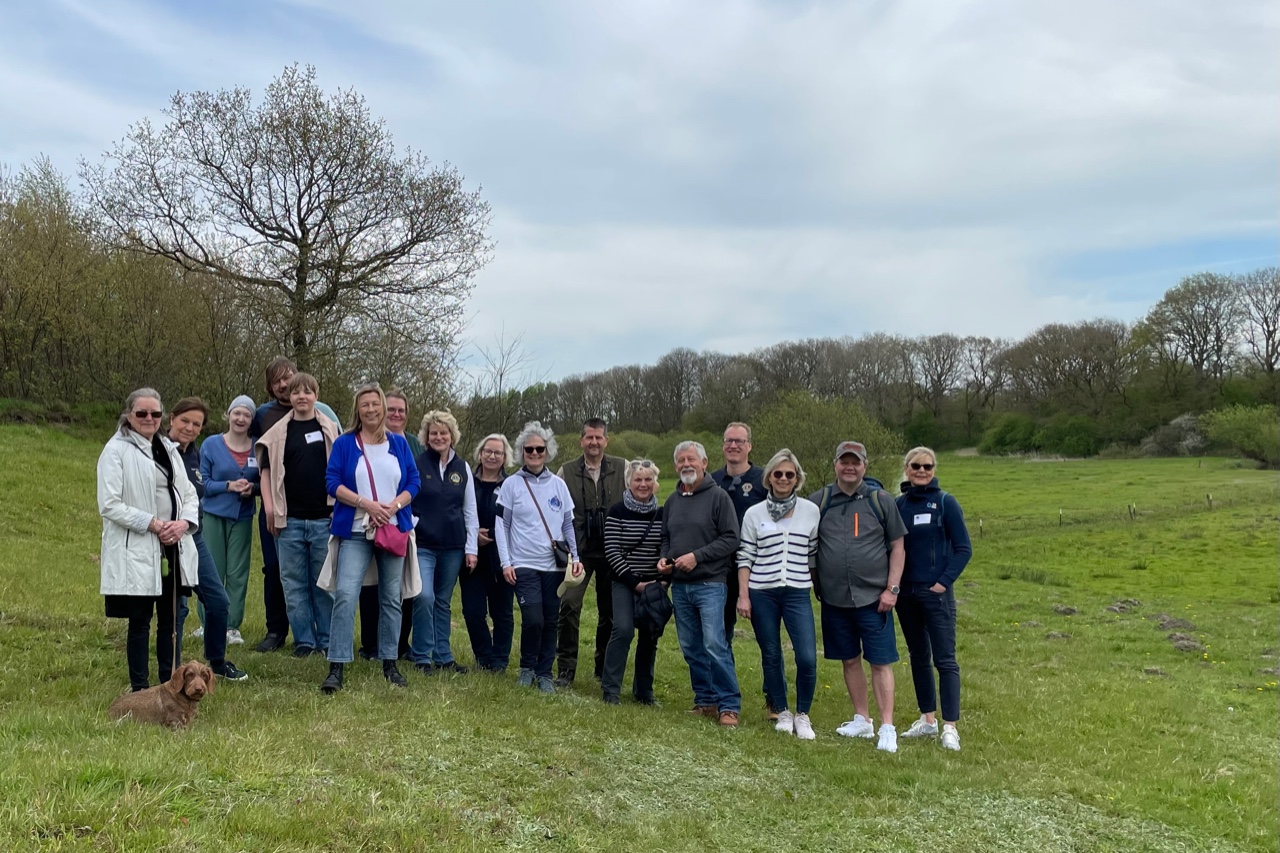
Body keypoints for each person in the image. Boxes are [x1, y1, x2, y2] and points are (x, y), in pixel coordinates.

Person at [97, 388, 200, 692]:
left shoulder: (168, 448)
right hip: (138, 546)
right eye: (141, 413)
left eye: (155, 413)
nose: (149, 419)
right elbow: (109, 504)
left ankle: (170, 685)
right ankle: (140, 688)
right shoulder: (115, 450)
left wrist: (183, 523)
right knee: (141, 620)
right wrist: (153, 524)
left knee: (170, 620)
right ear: (129, 415)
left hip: (172, 544)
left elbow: (189, 493)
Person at [321, 383, 421, 693]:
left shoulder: (399, 444)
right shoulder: (345, 443)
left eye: (375, 404)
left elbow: (413, 481)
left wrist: (393, 506)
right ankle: (337, 666)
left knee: (391, 598)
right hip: (355, 529)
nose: (371, 410)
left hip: (392, 528)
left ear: (382, 407)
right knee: (346, 595)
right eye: (365, 405)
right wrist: (365, 504)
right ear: (358, 409)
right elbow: (331, 481)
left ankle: (389, 662)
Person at [809, 441, 907, 753]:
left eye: (855, 462)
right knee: (849, 659)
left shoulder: (881, 500)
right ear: (835, 464)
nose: (849, 467)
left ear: (864, 465)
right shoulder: (819, 501)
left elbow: (898, 547)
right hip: (835, 599)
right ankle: (862, 719)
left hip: (874, 599)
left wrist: (892, 589)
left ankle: (887, 726)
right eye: (843, 462)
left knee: (880, 661)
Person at [249, 356, 340, 653]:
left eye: (306, 392)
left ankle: (326, 640)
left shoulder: (331, 430)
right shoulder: (276, 431)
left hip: (323, 518)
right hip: (289, 521)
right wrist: (271, 508)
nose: (300, 396)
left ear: (316, 395)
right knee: (293, 583)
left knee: (323, 583)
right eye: (295, 392)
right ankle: (304, 640)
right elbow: (264, 470)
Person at [736, 449, 819, 740]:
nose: (783, 479)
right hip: (762, 592)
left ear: (797, 479)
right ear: (769, 477)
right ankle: (782, 711)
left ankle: (803, 714)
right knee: (771, 654)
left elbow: (812, 555)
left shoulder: (811, 511)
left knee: (807, 656)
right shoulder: (753, 513)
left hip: (797, 592)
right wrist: (743, 596)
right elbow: (745, 556)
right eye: (778, 474)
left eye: (789, 474)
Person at [166, 397, 249, 683]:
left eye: (196, 424)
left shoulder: (195, 455)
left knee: (218, 602)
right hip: (167, 539)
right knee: (177, 609)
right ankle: (173, 672)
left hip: (195, 536)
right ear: (171, 420)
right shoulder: (160, 452)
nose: (190, 428)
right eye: (185, 421)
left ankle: (216, 662)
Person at [660, 440, 742, 727]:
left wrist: (697, 556)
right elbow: (667, 538)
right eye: (681, 460)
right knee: (691, 646)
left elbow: (731, 538)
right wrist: (664, 558)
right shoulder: (672, 501)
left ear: (705, 463)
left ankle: (729, 704)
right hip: (680, 586)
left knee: (714, 644)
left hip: (710, 584)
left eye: (691, 459)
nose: (686, 465)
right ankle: (705, 700)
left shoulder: (718, 497)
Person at [495, 422, 581, 693]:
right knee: (533, 618)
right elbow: (502, 526)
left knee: (551, 619)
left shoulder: (559, 485)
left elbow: (568, 524)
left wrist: (575, 557)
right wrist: (506, 562)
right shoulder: (511, 484)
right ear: (521, 452)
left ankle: (544, 672)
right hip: (523, 564)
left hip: (554, 566)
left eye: (539, 449)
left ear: (547, 451)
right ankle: (526, 667)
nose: (534, 453)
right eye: (528, 449)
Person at [895, 446, 971, 752]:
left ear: (934, 469)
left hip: (936, 594)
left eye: (927, 466)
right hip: (906, 594)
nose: (922, 471)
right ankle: (928, 719)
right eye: (916, 466)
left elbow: (963, 548)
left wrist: (943, 583)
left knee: (945, 659)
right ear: (907, 468)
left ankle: (950, 727)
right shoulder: (899, 504)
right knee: (918, 656)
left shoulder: (945, 503)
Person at [554, 418, 626, 687]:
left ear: (606, 440)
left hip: (613, 551)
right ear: (581, 440)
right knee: (570, 605)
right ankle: (566, 668)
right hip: (578, 552)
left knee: (610, 612)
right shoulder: (567, 471)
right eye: (589, 437)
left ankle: (603, 666)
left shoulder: (623, 468)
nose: (594, 442)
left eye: (599, 437)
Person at [406, 410, 479, 674]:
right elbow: (407, 502)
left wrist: (471, 549)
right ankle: (422, 655)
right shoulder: (415, 464)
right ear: (426, 437)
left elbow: (469, 510)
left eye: (443, 433)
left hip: (454, 547)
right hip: (424, 544)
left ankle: (444, 656)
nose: (439, 437)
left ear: (452, 436)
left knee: (443, 601)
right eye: (433, 433)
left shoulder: (463, 468)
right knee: (424, 596)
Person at [358, 388, 422, 660]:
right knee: (368, 587)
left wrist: (396, 507)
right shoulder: (365, 440)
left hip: (401, 522)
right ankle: (370, 644)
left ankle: (398, 646)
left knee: (400, 590)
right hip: (368, 521)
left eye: (401, 410)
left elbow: (414, 480)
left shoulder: (411, 443)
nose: (396, 414)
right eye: (392, 408)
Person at [600, 459, 666, 706]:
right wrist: (634, 582)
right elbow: (612, 551)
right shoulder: (617, 512)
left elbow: (666, 548)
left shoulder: (662, 514)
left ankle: (644, 691)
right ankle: (610, 689)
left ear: (655, 483)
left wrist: (662, 581)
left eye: (648, 479)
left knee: (650, 635)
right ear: (629, 482)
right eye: (638, 479)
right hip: (623, 581)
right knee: (623, 629)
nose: (643, 484)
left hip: (654, 584)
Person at [199, 395, 259, 648]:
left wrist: (252, 488)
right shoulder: (211, 444)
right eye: (237, 413)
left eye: (246, 415)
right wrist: (228, 485)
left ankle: (232, 626)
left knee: (237, 573)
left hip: (242, 517)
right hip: (213, 515)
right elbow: (202, 482)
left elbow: (266, 481)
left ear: (252, 420)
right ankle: (207, 624)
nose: (241, 419)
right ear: (228, 415)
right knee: (212, 571)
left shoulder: (259, 446)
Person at [460, 434, 517, 672]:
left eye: (498, 453)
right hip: (471, 558)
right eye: (488, 451)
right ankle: (483, 657)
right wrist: (471, 536)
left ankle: (500, 661)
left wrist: (491, 534)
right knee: (473, 612)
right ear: (480, 453)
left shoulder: (512, 485)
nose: (492, 456)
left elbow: (517, 520)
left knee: (502, 612)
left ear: (505, 458)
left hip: (501, 559)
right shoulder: (466, 481)